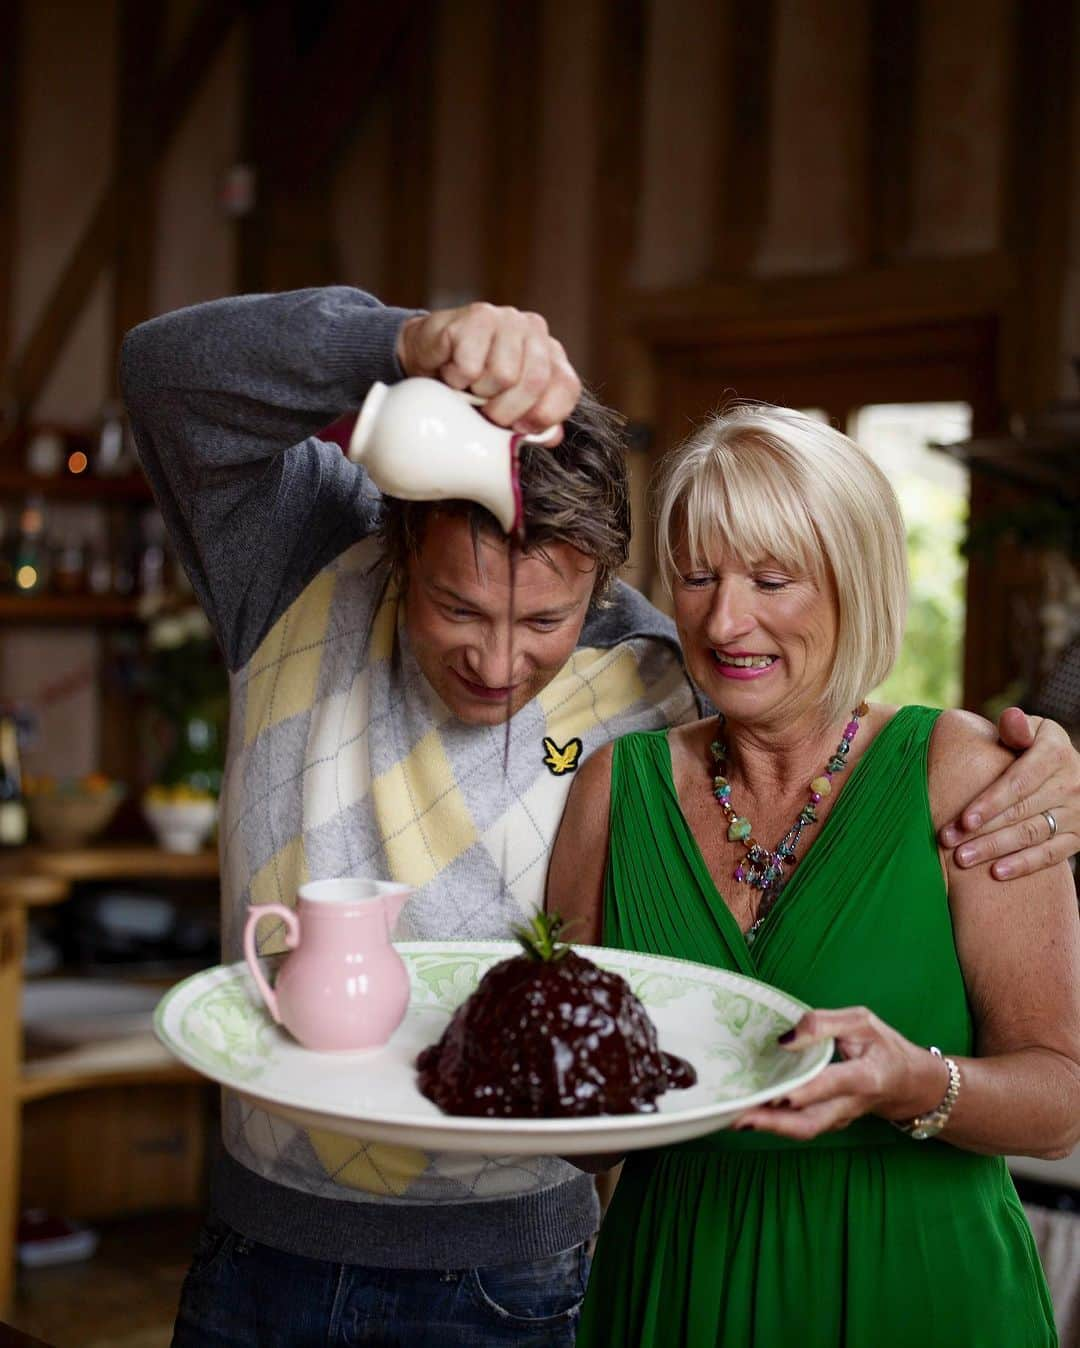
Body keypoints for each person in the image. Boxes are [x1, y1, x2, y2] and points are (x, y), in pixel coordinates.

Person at [120, 290, 1079, 1348]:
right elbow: (164, 374)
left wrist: (1053, 759)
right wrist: (399, 341)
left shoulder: (659, 671)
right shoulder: (295, 563)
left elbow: (830, 733)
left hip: (522, 1278)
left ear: (603, 589)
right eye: (455, 608)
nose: (496, 660)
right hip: (263, 1246)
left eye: (543, 619)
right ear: (399, 552)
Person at [549, 404, 1080, 1348]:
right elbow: (581, 1115)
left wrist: (917, 1084)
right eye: (698, 576)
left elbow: (1061, 1102)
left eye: (773, 578)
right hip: (675, 1285)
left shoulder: (959, 770)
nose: (725, 618)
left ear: (855, 582)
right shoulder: (612, 789)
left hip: (918, 1285)